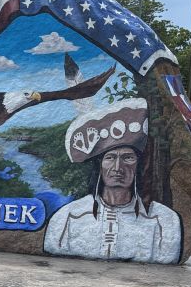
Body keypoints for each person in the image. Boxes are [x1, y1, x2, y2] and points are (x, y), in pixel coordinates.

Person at [44, 99, 182, 264]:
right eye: (110, 158)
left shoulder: (164, 220)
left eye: (128, 158)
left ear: (139, 166)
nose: (118, 167)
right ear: (99, 166)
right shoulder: (68, 216)